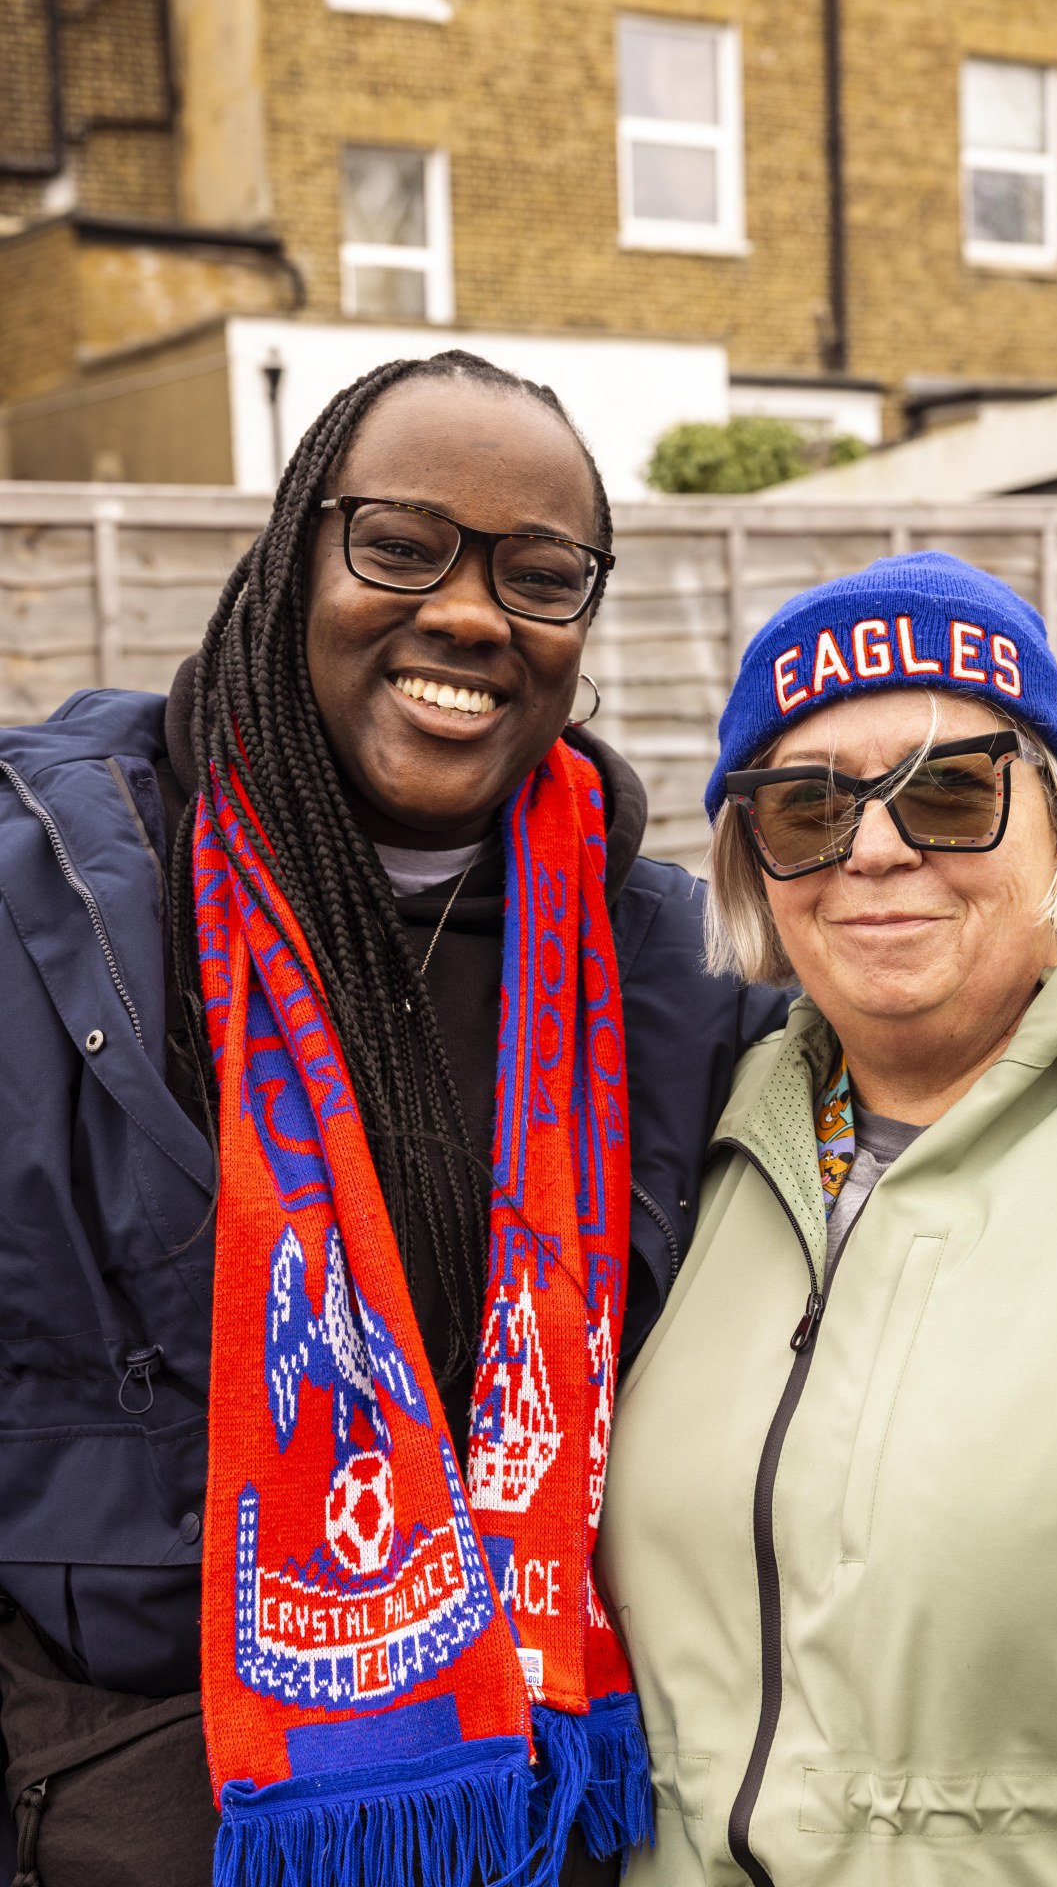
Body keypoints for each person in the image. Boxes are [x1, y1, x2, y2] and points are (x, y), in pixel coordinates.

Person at [0, 350, 786, 1887]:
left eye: (539, 575)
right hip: (116, 1814)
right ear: (293, 559)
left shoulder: (675, 978)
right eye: (403, 546)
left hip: (555, 1818)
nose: (473, 615)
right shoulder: (55, 915)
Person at [597, 550, 1057, 1887]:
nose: (874, 849)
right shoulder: (703, 1147)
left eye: (951, 791)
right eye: (805, 808)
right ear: (750, 863)